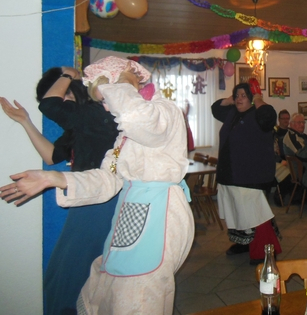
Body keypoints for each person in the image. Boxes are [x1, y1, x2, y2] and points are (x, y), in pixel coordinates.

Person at [1, 57, 194, 314]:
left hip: (159, 217)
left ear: (124, 86)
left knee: (138, 297)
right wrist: (54, 178)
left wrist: (124, 81)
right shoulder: (124, 137)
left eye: (106, 98)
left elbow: (138, 119)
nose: (105, 107)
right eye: (102, 100)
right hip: (130, 216)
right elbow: (107, 179)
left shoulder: (164, 112)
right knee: (112, 291)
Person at [0, 66, 119, 315]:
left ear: (74, 89)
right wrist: (25, 121)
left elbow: (49, 105)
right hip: (87, 199)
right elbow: (52, 156)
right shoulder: (84, 121)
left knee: (70, 275)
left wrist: (68, 73)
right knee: (64, 274)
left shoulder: (94, 114)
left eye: (65, 94)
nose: (61, 102)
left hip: (101, 201)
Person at [211, 82, 281, 265]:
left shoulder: (258, 114)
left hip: (249, 176)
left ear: (251, 98)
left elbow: (269, 117)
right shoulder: (232, 113)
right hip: (230, 174)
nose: (239, 99)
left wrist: (257, 98)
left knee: (255, 215)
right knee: (237, 212)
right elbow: (216, 108)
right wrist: (231, 99)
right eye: (237, 95)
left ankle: (265, 251)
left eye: (244, 95)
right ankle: (244, 243)